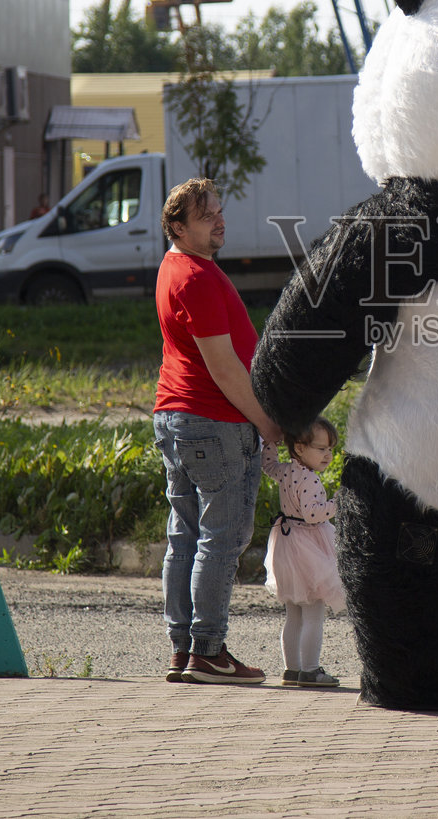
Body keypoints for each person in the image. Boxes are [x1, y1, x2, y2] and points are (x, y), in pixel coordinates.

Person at [154, 178, 283, 686]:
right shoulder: (198, 279)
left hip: (176, 418)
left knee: (184, 535)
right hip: (213, 422)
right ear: (178, 226)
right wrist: (268, 423)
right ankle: (207, 651)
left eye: (219, 212)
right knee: (219, 539)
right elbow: (225, 368)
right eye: (206, 216)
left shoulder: (174, 268)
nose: (219, 221)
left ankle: (183, 650)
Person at [262, 418, 347, 688]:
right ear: (299, 448)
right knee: (313, 612)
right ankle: (310, 671)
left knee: (294, 613)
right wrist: (338, 503)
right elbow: (313, 514)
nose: (328, 455)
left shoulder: (286, 471)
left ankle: (292, 669)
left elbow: (268, 465)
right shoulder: (309, 479)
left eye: (330, 449)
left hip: (287, 544)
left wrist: (270, 442)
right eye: (321, 448)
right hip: (307, 547)